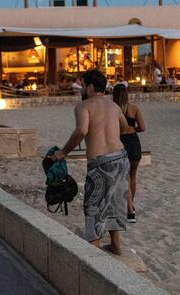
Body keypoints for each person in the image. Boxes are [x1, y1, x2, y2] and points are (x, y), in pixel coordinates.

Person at [53, 69, 130, 255]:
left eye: (82, 84)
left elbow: (81, 130)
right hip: (120, 158)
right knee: (115, 201)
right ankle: (115, 244)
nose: (80, 88)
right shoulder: (114, 107)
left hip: (99, 162)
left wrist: (63, 152)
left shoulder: (83, 105)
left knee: (93, 205)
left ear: (90, 86)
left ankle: (94, 250)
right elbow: (125, 126)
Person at [112, 84, 146, 223]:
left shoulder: (113, 109)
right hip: (134, 143)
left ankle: (130, 212)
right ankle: (131, 206)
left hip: (122, 143)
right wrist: (132, 130)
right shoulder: (134, 108)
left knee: (125, 178)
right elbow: (142, 128)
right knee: (133, 176)